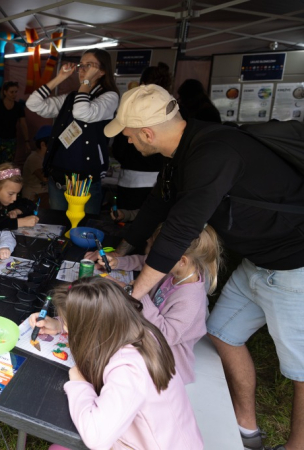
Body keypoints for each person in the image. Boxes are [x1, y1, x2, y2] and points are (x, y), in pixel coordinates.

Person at [104, 84, 304, 450]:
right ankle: (246, 430)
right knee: (223, 333)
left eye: (129, 136)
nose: (129, 143)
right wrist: (120, 252)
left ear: (148, 133)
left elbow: (180, 229)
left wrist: (132, 296)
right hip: (258, 263)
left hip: (295, 265)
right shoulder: (182, 149)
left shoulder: (213, 152)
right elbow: (156, 206)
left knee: (300, 369)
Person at [30, 278, 203, 450]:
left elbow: (96, 437)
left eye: (69, 326)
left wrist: (79, 383)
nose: (67, 330)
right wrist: (59, 324)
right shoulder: (141, 332)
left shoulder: (128, 369)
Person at [93, 224, 222, 384]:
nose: (148, 243)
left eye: (157, 252)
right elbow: (146, 262)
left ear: (182, 260)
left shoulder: (191, 300)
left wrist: (139, 293)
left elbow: (164, 336)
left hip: (162, 363)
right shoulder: (172, 268)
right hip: (144, 332)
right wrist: (118, 262)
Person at [26, 49, 119, 214]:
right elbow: (33, 104)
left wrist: (87, 82)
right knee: (58, 224)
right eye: (81, 65)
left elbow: (82, 112)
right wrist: (60, 77)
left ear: (103, 71)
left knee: (83, 227)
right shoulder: (72, 97)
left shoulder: (109, 97)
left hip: (85, 179)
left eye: (89, 66)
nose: (82, 70)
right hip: (59, 174)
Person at [111, 63, 169, 212]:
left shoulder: (131, 110)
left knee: (128, 226)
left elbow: (119, 148)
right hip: (163, 182)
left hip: (131, 181)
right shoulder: (172, 111)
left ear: (142, 85)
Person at [0, 163, 39, 231]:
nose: (15, 198)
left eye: (17, 194)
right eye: (11, 194)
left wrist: (17, 211)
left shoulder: (8, 200)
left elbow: (30, 204)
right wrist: (20, 222)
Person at [0, 81, 30, 166]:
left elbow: (23, 124)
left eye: (15, 92)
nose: (14, 94)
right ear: (5, 92)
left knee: (7, 166)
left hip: (10, 141)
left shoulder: (18, 107)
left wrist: (27, 141)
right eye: (11, 92)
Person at [22, 125, 51, 204]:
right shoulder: (34, 158)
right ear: (43, 144)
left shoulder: (46, 157)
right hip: (33, 197)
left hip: (43, 194)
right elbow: (44, 178)